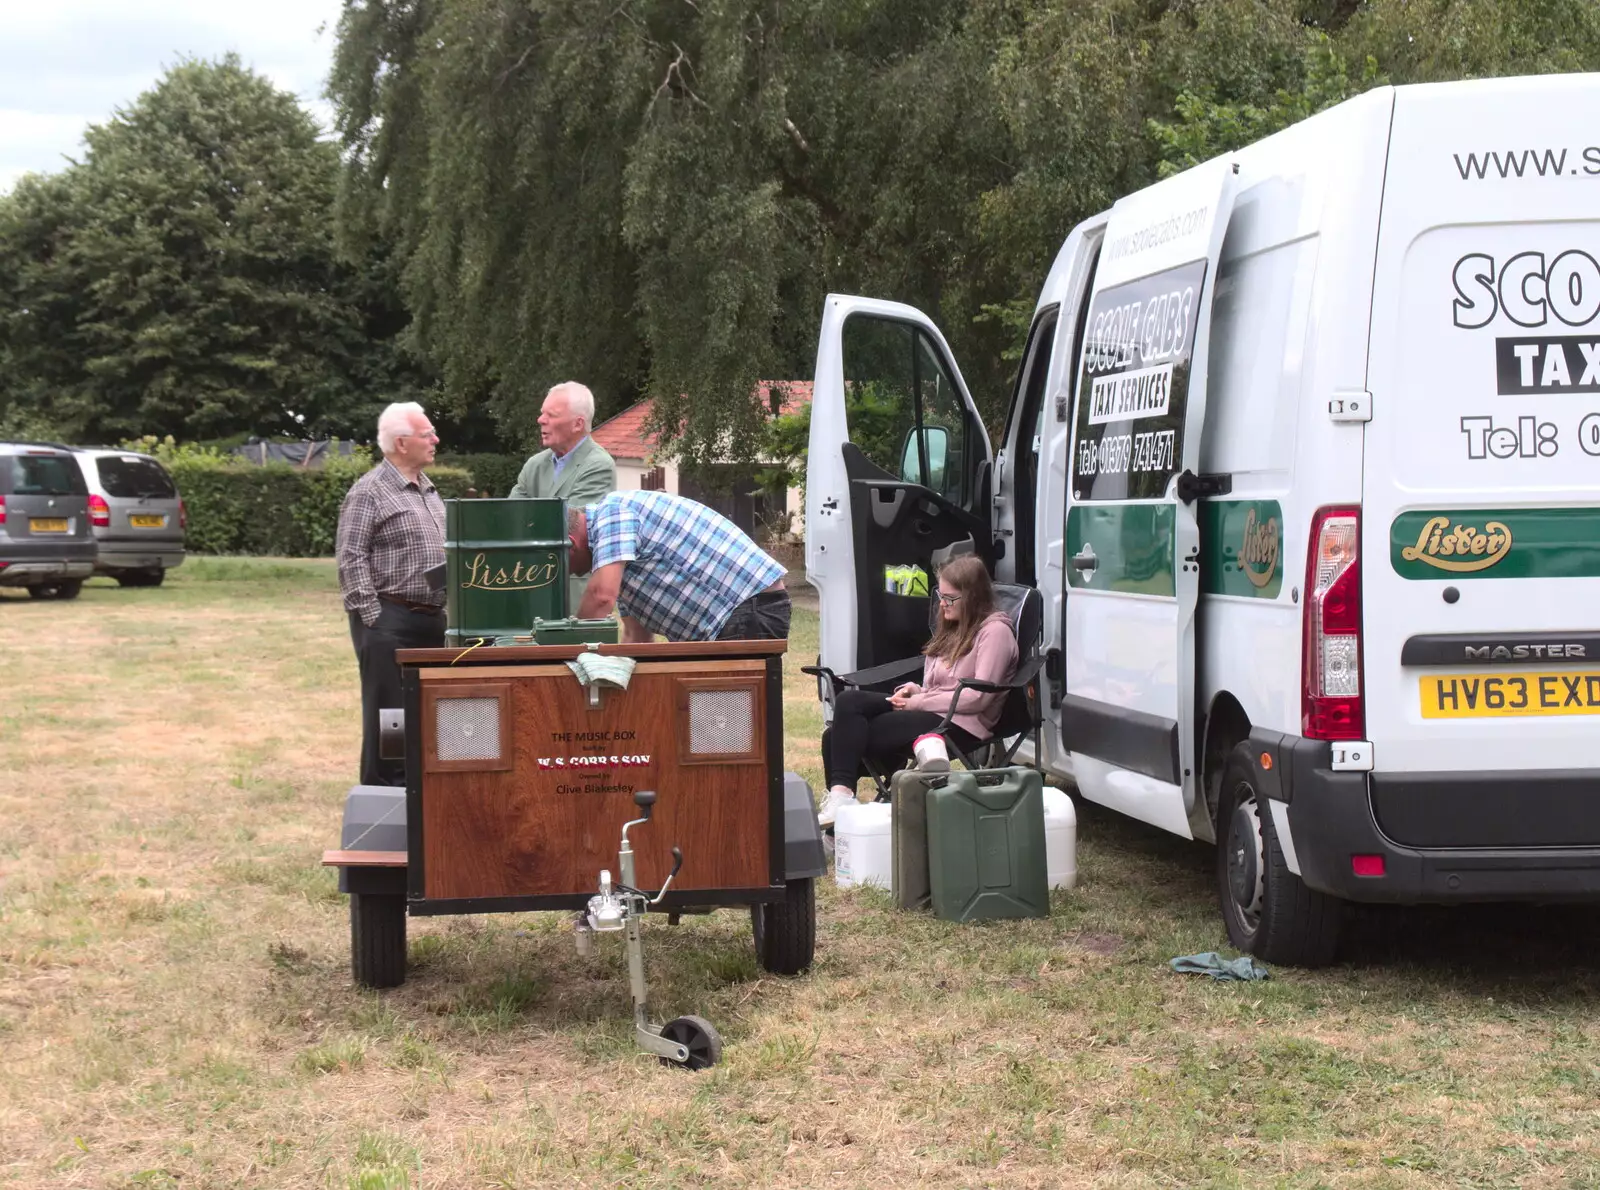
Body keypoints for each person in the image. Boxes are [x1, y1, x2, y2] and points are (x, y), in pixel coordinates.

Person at [817, 554, 1018, 826]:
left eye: (951, 598)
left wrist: (918, 703)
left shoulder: (994, 633)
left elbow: (978, 697)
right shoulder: (952, 628)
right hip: (935, 710)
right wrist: (917, 691)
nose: (943, 604)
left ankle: (840, 819)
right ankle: (842, 801)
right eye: (941, 595)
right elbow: (941, 685)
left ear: (972, 596)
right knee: (850, 703)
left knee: (836, 737)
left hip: (962, 724)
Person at [336, 402, 448, 787]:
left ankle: (424, 798)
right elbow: (350, 557)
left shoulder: (430, 490)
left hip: (432, 619)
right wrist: (374, 618)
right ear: (402, 443)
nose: (435, 439)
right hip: (390, 620)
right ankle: (383, 800)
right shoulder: (369, 491)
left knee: (431, 716)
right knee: (389, 720)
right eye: (427, 434)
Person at [568, 490, 790, 643]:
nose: (566, 573)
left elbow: (600, 597)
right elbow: (637, 639)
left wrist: (569, 655)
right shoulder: (619, 558)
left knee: (723, 712)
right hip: (736, 617)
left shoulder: (611, 513)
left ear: (570, 543)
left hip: (746, 610)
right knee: (702, 710)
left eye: (561, 565)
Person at [507, 382, 617, 615]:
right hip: (529, 589)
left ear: (578, 423)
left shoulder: (598, 465)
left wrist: (527, 522)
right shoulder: (535, 465)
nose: (540, 420)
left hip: (574, 594)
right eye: (542, 413)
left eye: (551, 415)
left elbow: (569, 527)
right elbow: (510, 518)